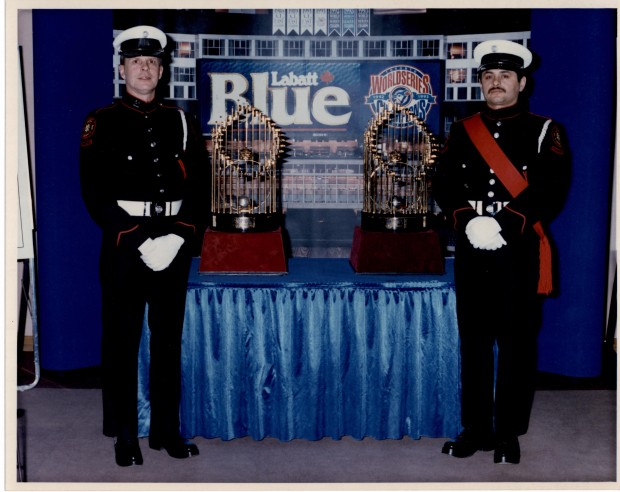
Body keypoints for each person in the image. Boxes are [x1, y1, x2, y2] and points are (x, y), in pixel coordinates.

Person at [433, 40, 570, 464]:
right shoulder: (461, 129)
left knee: (516, 342)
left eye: (505, 76)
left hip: (518, 248)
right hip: (474, 245)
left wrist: (506, 222)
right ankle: (475, 428)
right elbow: (444, 184)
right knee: (474, 340)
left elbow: (550, 188)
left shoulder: (546, 130)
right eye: (488, 76)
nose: (496, 83)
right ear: (480, 82)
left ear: (522, 83)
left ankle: (508, 431)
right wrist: (466, 219)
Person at [80, 25, 207, 467]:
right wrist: (136, 239)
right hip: (124, 248)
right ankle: (125, 436)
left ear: (162, 70)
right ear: (122, 69)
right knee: (121, 342)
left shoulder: (182, 120)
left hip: (171, 241)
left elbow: (200, 186)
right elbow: (94, 193)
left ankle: (165, 432)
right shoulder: (102, 121)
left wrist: (180, 234)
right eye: (136, 62)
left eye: (152, 62)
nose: (145, 68)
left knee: (168, 342)